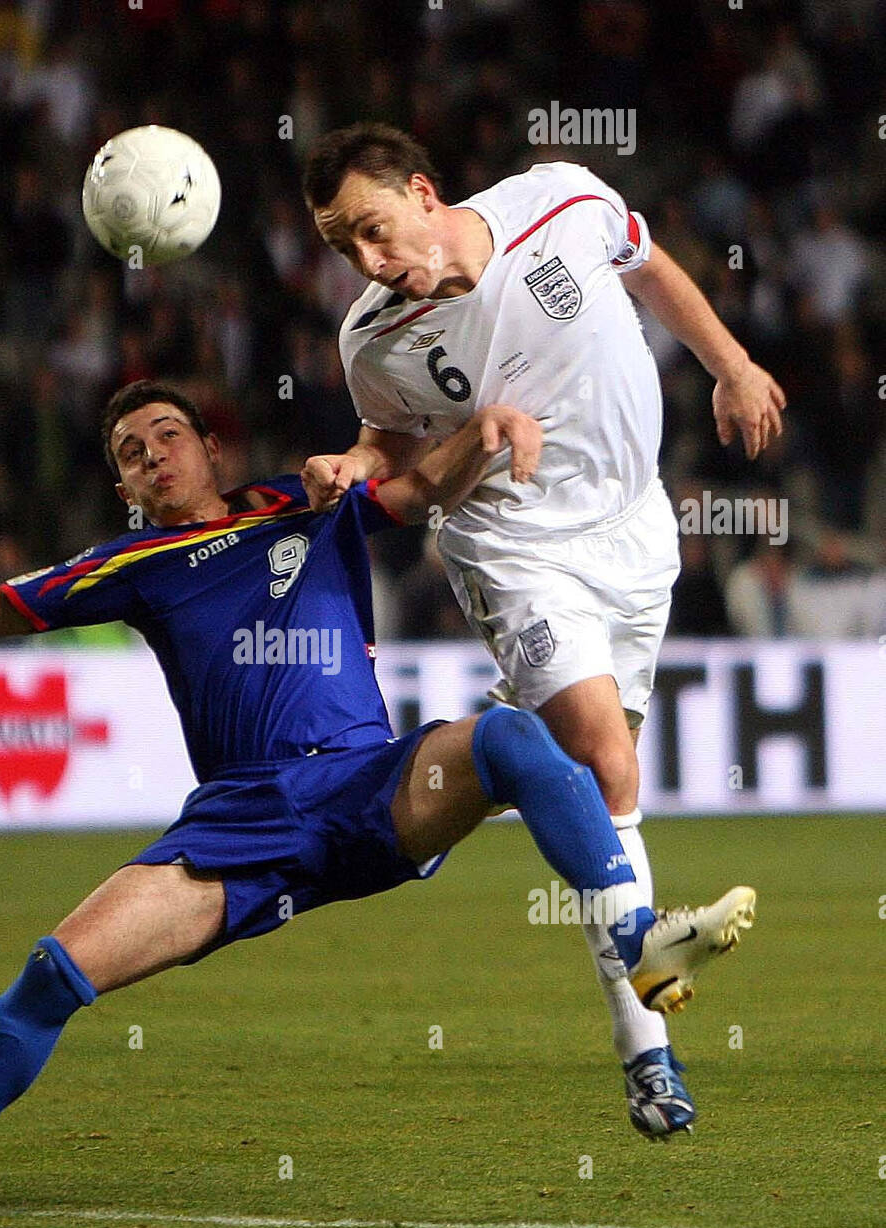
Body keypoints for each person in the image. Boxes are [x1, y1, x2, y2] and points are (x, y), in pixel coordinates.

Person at [0, 382, 754, 1225]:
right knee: (51, 974)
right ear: (125, 485)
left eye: (166, 433)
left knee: (514, 739)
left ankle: (639, 945)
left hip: (365, 785)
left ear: (211, 448)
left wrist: (483, 431)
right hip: (239, 825)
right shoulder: (129, 563)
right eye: (128, 450)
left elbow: (419, 487)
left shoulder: (305, 499)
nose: (151, 453)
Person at [302, 124, 778, 1080]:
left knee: (609, 785)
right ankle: (649, 990)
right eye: (343, 246)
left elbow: (649, 269)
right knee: (604, 751)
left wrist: (729, 364)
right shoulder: (371, 339)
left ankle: (639, 1046)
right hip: (513, 546)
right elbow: (387, 443)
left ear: (424, 192)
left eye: (373, 229)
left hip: (636, 530)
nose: (367, 260)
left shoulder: (559, 201)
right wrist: (348, 463)